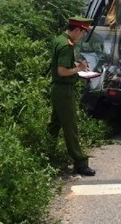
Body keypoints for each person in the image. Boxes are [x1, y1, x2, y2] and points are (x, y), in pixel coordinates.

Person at [47, 16, 96, 177]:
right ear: (77, 29)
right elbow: (62, 71)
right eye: (83, 32)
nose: (82, 36)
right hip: (64, 90)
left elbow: (62, 64)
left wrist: (76, 66)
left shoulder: (60, 39)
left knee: (55, 124)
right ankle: (80, 163)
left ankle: (46, 153)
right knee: (71, 127)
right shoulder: (66, 46)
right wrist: (79, 69)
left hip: (57, 89)